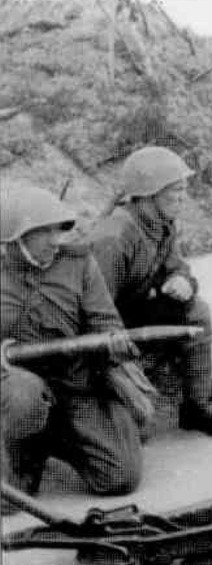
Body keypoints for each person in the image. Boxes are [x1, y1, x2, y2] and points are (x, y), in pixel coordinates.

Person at [1, 183, 153, 499]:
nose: (56, 241)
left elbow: (105, 321)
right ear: (17, 237)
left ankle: (55, 437)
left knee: (120, 477)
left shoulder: (79, 263)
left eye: (58, 230)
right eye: (45, 232)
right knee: (24, 395)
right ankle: (23, 455)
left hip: (73, 385)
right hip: (17, 385)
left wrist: (111, 344)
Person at [87, 146, 212, 439]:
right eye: (176, 190)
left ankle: (197, 405)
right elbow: (94, 309)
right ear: (150, 194)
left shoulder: (161, 223)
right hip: (103, 329)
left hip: (131, 314)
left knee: (197, 311)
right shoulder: (113, 237)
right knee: (137, 431)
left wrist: (182, 281)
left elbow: (179, 267)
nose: (183, 198)